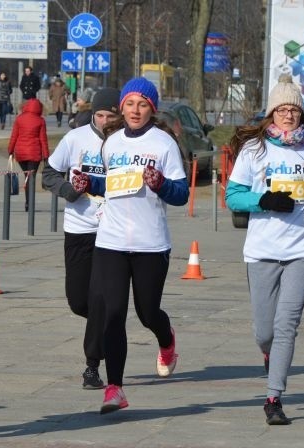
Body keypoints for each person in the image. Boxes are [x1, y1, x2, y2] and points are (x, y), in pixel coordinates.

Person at [225, 74, 304, 426]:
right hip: (262, 250)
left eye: (294, 110)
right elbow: (233, 196)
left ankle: (274, 397)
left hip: (303, 249)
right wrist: (263, 200)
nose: (288, 115)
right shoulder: (255, 149)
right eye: (282, 109)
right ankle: (268, 353)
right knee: (265, 331)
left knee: (286, 325)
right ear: (272, 113)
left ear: (301, 115)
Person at [70, 77, 188, 414]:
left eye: (143, 105)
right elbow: (111, 184)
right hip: (111, 240)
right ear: (122, 107)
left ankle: (166, 341)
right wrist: (87, 182)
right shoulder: (112, 143)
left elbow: (181, 194)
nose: (136, 110)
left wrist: (161, 183)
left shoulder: (164, 143)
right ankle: (115, 389)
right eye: (131, 104)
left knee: (148, 312)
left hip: (151, 244)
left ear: (152, 109)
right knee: (113, 315)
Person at [41, 88, 121, 390]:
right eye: (99, 115)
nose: (103, 121)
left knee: (100, 298)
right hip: (78, 228)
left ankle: (92, 366)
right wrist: (67, 190)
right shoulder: (75, 139)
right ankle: (108, 321)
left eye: (109, 116)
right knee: (78, 301)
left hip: (112, 232)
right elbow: (48, 173)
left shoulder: (125, 143)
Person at [8, 97, 49, 212]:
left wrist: (10, 150)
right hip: (34, 154)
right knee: (31, 179)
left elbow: (14, 136)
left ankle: (28, 202)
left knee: (27, 177)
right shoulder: (40, 121)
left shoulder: (19, 119)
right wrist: (46, 156)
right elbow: (43, 140)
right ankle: (29, 203)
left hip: (20, 154)